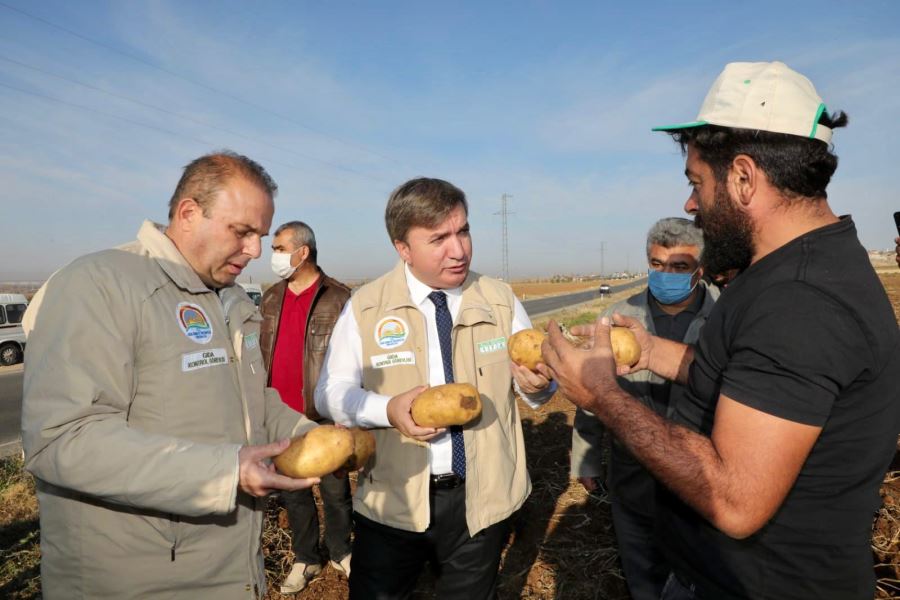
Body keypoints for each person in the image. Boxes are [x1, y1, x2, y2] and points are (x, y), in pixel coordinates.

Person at [542, 61, 900, 599]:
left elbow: (735, 499)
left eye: (696, 183)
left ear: (743, 177)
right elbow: (749, 380)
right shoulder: (794, 270)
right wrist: (650, 352)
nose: (690, 203)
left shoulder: (799, 302)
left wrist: (603, 396)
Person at [21, 151, 322, 599]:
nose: (255, 250)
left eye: (260, 235)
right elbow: (61, 439)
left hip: (230, 570)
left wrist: (306, 434)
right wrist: (224, 471)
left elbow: (252, 401)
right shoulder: (101, 284)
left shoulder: (231, 299)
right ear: (188, 213)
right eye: (242, 232)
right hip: (137, 581)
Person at [315, 177, 555, 599]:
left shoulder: (500, 300)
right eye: (438, 238)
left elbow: (532, 389)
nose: (459, 250)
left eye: (463, 231)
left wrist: (539, 386)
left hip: (479, 502)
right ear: (403, 249)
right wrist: (386, 410)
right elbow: (330, 392)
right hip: (393, 502)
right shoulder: (367, 306)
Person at [570, 217, 718, 600]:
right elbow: (594, 386)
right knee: (643, 572)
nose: (665, 274)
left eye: (679, 267)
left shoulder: (725, 314)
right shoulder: (621, 315)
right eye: (657, 264)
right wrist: (586, 459)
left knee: (701, 575)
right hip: (634, 471)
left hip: (703, 471)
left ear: (699, 269)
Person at [259, 220, 353, 593]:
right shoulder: (270, 298)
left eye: (279, 248)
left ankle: (341, 549)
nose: (274, 256)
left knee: (335, 491)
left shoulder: (339, 297)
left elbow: (355, 360)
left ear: (303, 252)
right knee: (293, 492)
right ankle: (305, 558)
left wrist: (347, 414)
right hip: (279, 412)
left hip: (323, 414)